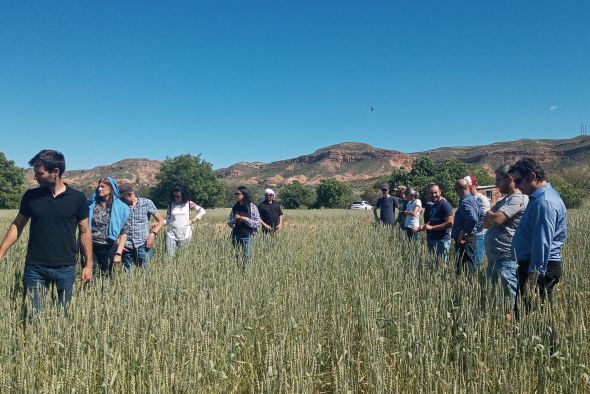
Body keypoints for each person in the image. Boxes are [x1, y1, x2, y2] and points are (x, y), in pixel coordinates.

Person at [0, 150, 93, 314]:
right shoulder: (31, 196)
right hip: (35, 267)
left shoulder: (78, 198)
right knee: (33, 316)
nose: (35, 177)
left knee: (62, 316)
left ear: (55, 172)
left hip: (66, 266)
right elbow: (17, 225)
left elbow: (85, 231)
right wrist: (1, 251)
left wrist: (88, 265)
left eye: (39, 173)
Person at [509, 158, 567, 315]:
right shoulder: (538, 199)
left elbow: (542, 242)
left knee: (537, 321)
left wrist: (533, 278)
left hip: (539, 269)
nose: (517, 187)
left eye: (519, 181)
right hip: (535, 266)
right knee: (531, 319)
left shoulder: (544, 202)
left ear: (532, 176)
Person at [484, 165, 528, 311]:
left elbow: (497, 220)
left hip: (507, 258)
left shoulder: (518, 198)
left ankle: (509, 328)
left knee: (508, 301)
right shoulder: (503, 200)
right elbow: (485, 222)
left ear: (509, 179)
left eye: (498, 180)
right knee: (494, 300)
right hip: (494, 258)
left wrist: (491, 214)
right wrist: (491, 215)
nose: (496, 184)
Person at [86, 177, 130, 277]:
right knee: (88, 275)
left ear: (111, 189)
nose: (99, 189)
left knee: (106, 277)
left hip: (109, 247)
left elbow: (124, 231)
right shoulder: (91, 204)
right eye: (99, 186)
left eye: (103, 187)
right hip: (90, 245)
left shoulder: (120, 207)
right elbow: (83, 226)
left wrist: (118, 253)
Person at [118, 183, 166, 272]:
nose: (121, 199)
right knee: (127, 275)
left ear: (130, 194)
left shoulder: (147, 203)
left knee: (146, 274)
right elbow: (116, 224)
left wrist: (152, 234)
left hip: (143, 245)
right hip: (126, 246)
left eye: (122, 197)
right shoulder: (121, 206)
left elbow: (161, 221)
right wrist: (118, 241)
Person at [164, 184, 206, 257]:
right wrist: (160, 223)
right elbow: (168, 219)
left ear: (183, 195)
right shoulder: (171, 205)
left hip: (185, 235)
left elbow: (202, 211)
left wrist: (193, 221)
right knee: (169, 257)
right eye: (174, 196)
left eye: (178, 196)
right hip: (171, 235)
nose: (176, 198)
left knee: (182, 258)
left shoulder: (189, 204)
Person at [418, 183, 454, 262]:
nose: (433, 195)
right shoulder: (433, 205)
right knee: (433, 263)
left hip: (442, 240)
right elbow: (431, 221)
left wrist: (432, 228)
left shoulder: (445, 205)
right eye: (431, 193)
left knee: (442, 264)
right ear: (428, 194)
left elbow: (450, 223)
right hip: (431, 238)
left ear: (440, 192)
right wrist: (422, 229)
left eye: (435, 192)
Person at [451, 178, 480, 275]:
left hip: (465, 240)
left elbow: (472, 218)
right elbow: (481, 216)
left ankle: (469, 288)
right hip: (470, 237)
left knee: (466, 267)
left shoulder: (465, 202)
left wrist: (462, 234)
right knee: (467, 265)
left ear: (457, 190)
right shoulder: (473, 199)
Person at [228, 186, 261, 271]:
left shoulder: (252, 207)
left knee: (247, 257)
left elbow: (257, 223)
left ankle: (246, 274)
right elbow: (229, 223)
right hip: (235, 236)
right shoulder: (235, 207)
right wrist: (234, 220)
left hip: (248, 236)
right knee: (237, 256)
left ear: (244, 194)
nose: (236, 195)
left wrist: (244, 218)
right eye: (235, 194)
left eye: (238, 194)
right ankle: (238, 272)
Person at [465, 175, 490, 270]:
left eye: (469, 185)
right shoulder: (467, 199)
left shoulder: (482, 199)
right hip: (468, 234)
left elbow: (482, 219)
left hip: (479, 234)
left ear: (474, 184)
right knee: (469, 261)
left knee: (476, 261)